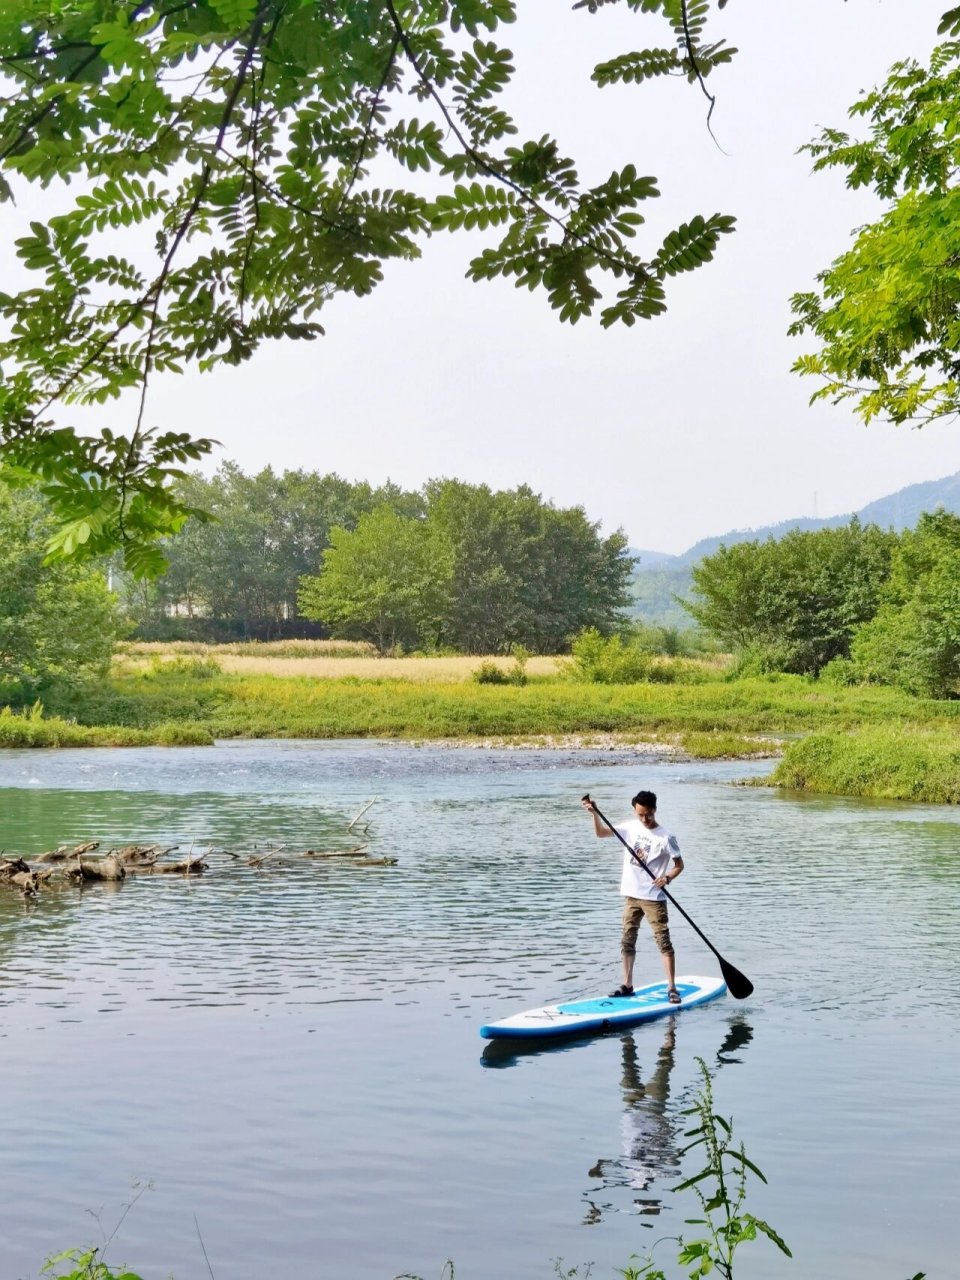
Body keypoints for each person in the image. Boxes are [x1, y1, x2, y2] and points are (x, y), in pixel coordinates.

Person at [582, 789, 684, 1001]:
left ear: (655, 810)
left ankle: (672, 988)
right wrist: (594, 814)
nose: (645, 819)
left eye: (648, 814)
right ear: (635, 811)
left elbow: (679, 865)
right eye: (640, 814)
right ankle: (627, 985)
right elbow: (601, 833)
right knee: (627, 941)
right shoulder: (629, 827)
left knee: (663, 942)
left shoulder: (666, 837)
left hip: (654, 897)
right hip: (631, 895)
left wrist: (667, 878)